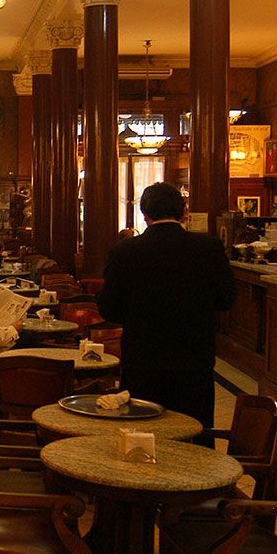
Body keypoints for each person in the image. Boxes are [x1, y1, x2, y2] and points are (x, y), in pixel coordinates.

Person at [97, 182, 235, 439]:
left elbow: (109, 309)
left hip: (143, 357)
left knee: (143, 432)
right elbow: (226, 300)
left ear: (144, 213)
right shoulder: (209, 249)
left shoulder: (125, 252)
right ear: (183, 210)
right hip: (194, 358)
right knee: (194, 430)